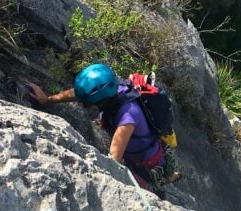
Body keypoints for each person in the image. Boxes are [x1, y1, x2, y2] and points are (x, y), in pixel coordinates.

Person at [28, 64, 177, 193]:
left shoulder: (128, 118)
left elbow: (113, 161)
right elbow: (76, 94)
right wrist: (47, 100)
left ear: (101, 102)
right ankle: (166, 177)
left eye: (89, 104)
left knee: (138, 192)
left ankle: (161, 182)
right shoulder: (114, 89)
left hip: (145, 163)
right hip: (140, 150)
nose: (87, 106)